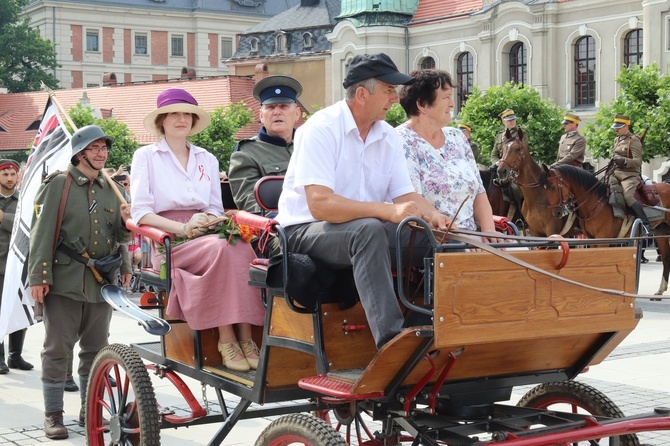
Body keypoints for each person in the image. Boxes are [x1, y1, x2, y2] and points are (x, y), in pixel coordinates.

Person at [275, 53, 453, 350]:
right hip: (305, 231)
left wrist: (435, 215)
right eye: (388, 90)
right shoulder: (320, 129)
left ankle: (451, 326)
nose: (395, 99)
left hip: (358, 229)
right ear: (361, 94)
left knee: (442, 239)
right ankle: (393, 342)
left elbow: (405, 195)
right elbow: (320, 205)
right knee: (368, 230)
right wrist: (387, 211)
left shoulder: (388, 136)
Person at [130, 88, 264, 373]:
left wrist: (207, 221)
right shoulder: (146, 156)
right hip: (168, 239)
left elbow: (216, 206)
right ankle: (227, 338)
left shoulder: (208, 158)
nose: (181, 119)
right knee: (222, 249)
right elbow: (141, 212)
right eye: (174, 113)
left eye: (187, 114)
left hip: (207, 231)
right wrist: (182, 227)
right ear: (162, 120)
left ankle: (246, 337)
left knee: (242, 247)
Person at [28, 125, 132, 439]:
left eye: (104, 148)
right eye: (95, 148)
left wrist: (128, 228)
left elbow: (120, 238)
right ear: (80, 152)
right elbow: (41, 233)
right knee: (57, 350)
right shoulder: (58, 184)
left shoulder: (113, 188)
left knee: (95, 351)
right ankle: (53, 415)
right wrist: (38, 277)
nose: (101, 153)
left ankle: (90, 411)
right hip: (64, 280)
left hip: (102, 283)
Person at [396, 70, 498, 235]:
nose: (452, 104)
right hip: (433, 239)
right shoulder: (401, 140)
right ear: (421, 104)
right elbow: (411, 199)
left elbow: (479, 191)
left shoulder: (457, 136)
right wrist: (458, 239)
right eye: (445, 98)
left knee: (520, 253)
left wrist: (490, 232)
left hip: (472, 237)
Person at [229, 75, 303, 213]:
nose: (277, 112)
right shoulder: (246, 154)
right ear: (261, 116)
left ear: (297, 114)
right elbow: (251, 206)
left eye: (284, 106)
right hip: (280, 228)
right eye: (270, 107)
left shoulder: (310, 146)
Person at [0, 159, 34, 375]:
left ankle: (15, 355)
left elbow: (29, 225)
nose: (10, 178)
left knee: (18, 310)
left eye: (13, 174)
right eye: (5, 175)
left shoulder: (24, 199)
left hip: (17, 264)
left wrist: (4, 218)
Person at [608, 114, 652, 235]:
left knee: (628, 196)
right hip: (615, 173)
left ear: (626, 126)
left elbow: (638, 161)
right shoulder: (617, 139)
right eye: (615, 127)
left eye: (619, 127)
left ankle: (646, 224)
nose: (616, 130)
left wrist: (625, 161)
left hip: (630, 175)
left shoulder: (634, 140)